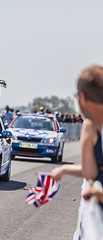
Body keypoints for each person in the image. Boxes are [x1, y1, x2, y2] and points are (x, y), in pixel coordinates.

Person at [50, 65, 103, 237]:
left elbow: (91, 172)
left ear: (82, 97)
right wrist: (64, 169)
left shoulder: (90, 125)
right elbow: (92, 171)